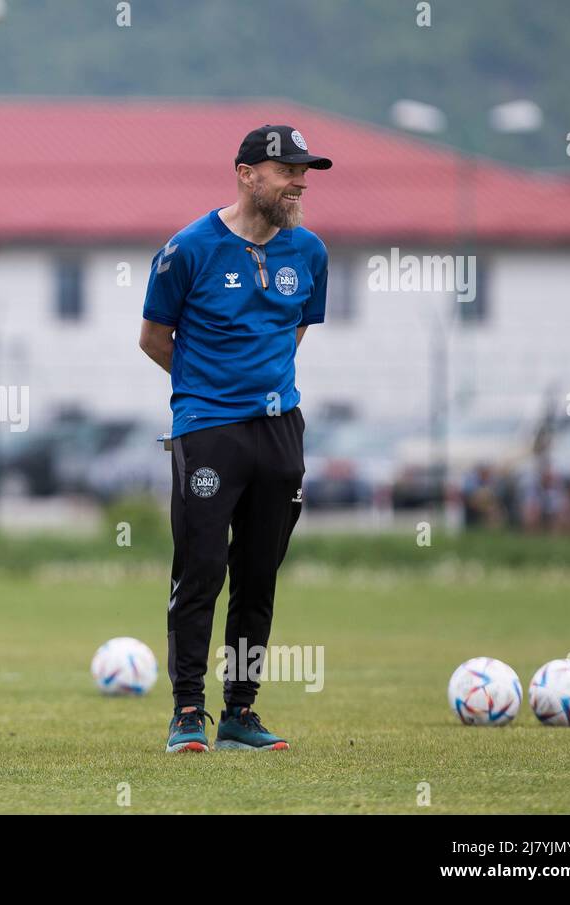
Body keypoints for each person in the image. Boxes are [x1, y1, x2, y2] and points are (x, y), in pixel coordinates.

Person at [139, 125, 331, 753]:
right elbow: (153, 338)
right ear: (247, 174)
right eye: (288, 171)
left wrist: (261, 389)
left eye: (305, 172)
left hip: (280, 430)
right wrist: (211, 392)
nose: (300, 182)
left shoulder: (310, 253)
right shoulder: (187, 250)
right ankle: (188, 711)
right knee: (200, 569)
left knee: (258, 574)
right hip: (209, 431)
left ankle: (241, 712)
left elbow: (294, 331)